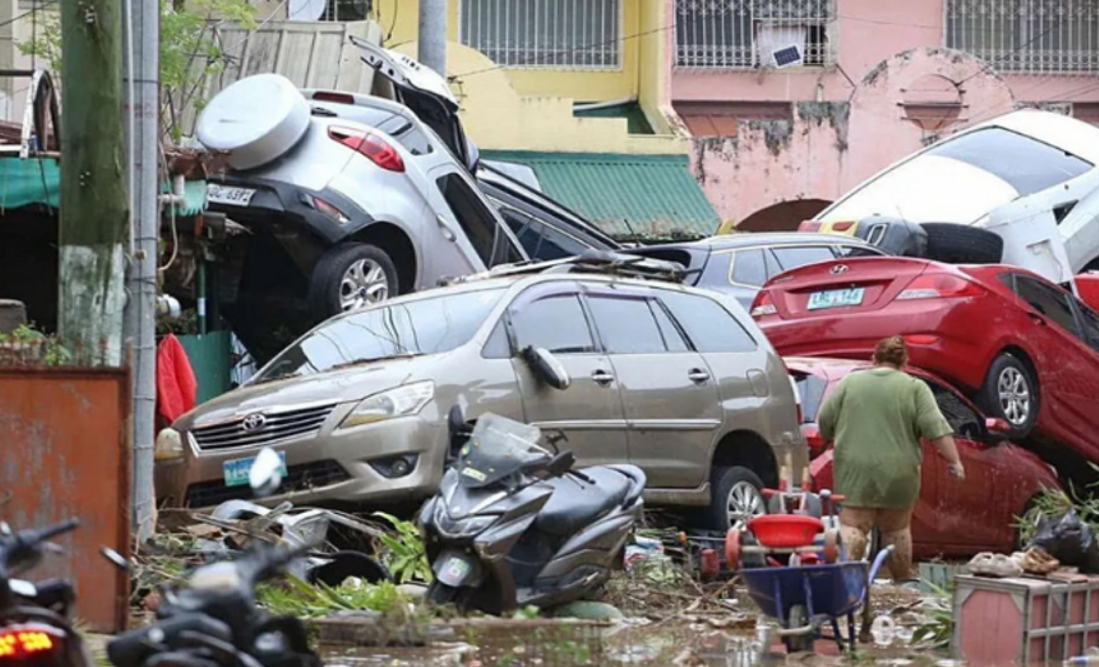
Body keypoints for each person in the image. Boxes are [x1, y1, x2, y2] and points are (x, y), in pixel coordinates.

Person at [818, 336, 965, 581]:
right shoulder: (914, 387)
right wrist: (954, 461)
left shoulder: (850, 382)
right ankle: (901, 584)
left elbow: (825, 420)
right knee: (897, 529)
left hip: (855, 469)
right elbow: (936, 428)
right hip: (900, 471)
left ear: (873, 358)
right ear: (904, 362)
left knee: (854, 526)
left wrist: (829, 437)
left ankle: (846, 582)